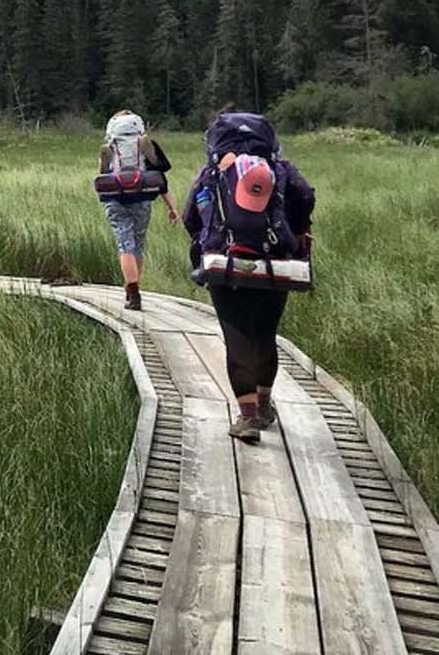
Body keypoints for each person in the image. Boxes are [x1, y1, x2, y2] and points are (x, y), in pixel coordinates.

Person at [181, 112, 315, 443]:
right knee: (265, 333)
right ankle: (266, 402)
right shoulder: (281, 168)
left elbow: (190, 218)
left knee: (236, 335)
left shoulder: (212, 172)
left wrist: (205, 238)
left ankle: (248, 416)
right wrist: (297, 231)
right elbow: (305, 197)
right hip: (275, 261)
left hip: (225, 264)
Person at [96, 110, 180, 311]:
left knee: (125, 245)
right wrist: (172, 207)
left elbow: (101, 175)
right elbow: (161, 180)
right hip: (142, 199)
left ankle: (132, 293)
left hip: (115, 200)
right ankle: (133, 289)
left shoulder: (110, 147)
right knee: (137, 247)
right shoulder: (145, 146)